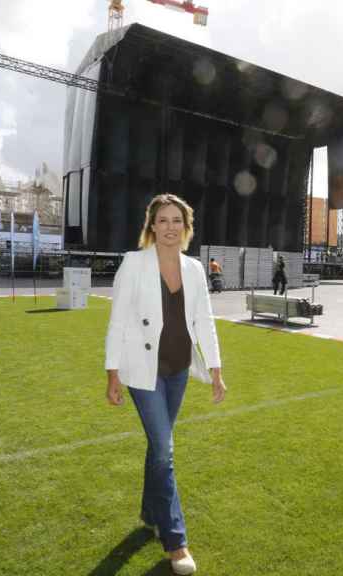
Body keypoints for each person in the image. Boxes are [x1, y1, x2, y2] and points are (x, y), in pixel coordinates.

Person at [104, 194, 226, 576]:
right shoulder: (133, 263)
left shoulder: (194, 269)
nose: (170, 227)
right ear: (151, 226)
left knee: (158, 448)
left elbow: (204, 321)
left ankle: (149, 511)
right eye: (163, 220)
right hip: (143, 372)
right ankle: (176, 541)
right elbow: (118, 321)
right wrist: (111, 373)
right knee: (165, 450)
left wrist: (216, 370)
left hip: (178, 371)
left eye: (177, 220)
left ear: (186, 227)